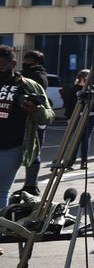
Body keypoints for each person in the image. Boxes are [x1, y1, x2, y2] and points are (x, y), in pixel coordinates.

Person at [0, 45, 55, 209]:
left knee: (2, 191)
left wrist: (35, 110)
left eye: (3, 64)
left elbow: (48, 116)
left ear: (13, 63)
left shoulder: (29, 85)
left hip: (12, 147)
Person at [19, 50, 49, 195]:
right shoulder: (26, 74)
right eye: (26, 59)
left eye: (30, 60)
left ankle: (31, 185)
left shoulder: (37, 76)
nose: (26, 62)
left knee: (33, 149)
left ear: (37, 62)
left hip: (34, 116)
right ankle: (30, 185)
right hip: (24, 116)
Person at [69, 70, 94, 169]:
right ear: (82, 78)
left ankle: (83, 161)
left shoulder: (92, 88)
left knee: (86, 139)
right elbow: (69, 104)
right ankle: (70, 161)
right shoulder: (74, 89)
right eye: (87, 77)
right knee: (76, 139)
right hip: (78, 116)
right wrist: (69, 117)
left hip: (91, 116)